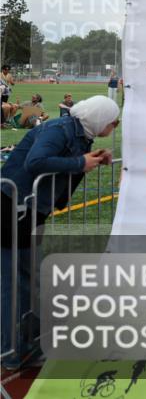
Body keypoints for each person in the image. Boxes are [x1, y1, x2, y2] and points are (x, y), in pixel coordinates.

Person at [1, 95, 119, 370]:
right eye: (114, 121)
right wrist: (80, 163)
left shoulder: (79, 133)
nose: (114, 126)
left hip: (30, 210)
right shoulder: (58, 129)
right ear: (101, 118)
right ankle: (9, 351)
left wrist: (91, 160)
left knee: (28, 279)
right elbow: (36, 162)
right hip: (10, 208)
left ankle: (27, 342)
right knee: (10, 282)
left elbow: (62, 161)